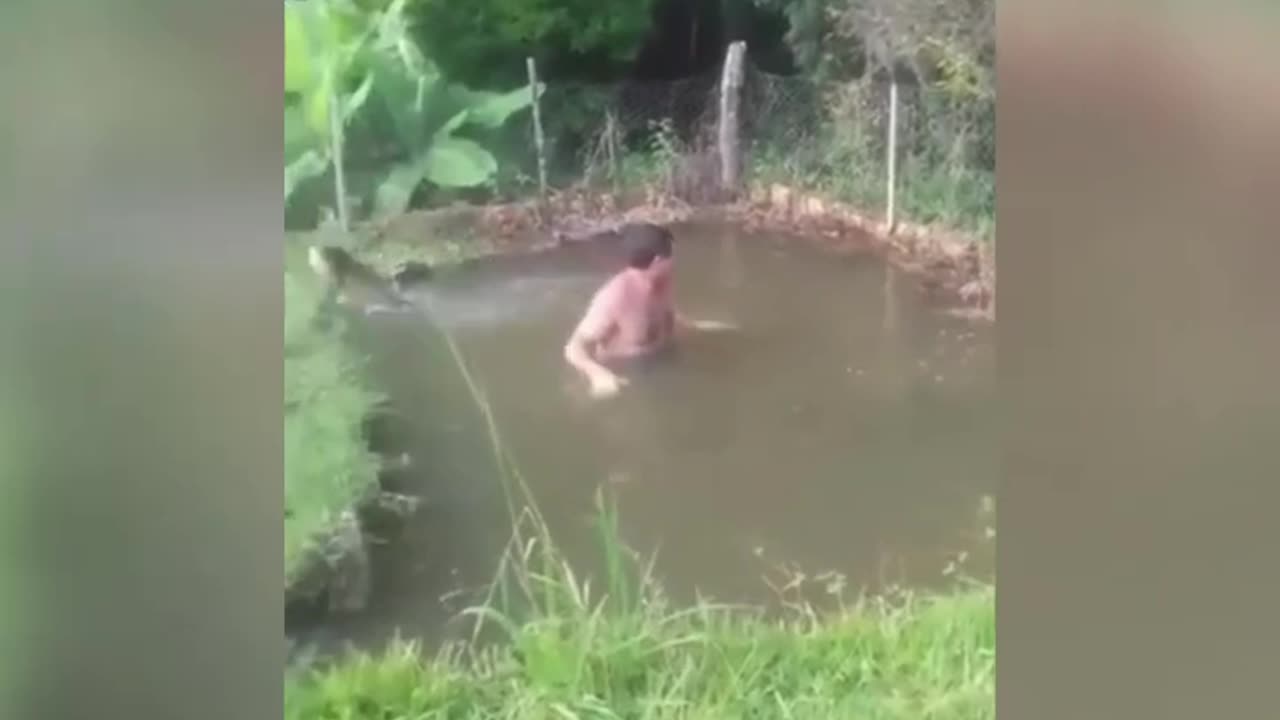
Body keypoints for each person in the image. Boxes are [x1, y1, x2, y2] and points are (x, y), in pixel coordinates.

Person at [563, 223, 732, 398]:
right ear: (658, 261)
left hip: (667, 358)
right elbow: (573, 348)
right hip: (629, 373)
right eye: (672, 255)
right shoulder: (615, 297)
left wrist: (699, 328)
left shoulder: (663, 282)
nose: (675, 260)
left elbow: (667, 317)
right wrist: (599, 376)